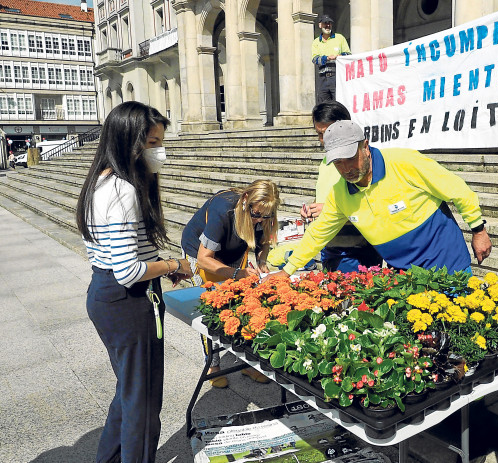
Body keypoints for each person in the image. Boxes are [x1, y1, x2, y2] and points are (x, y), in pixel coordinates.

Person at [75, 101, 192, 462]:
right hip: (127, 301)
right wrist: (174, 263)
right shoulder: (123, 190)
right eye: (153, 143)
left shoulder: (102, 180)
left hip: (106, 294)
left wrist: (159, 265)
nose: (160, 151)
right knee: (141, 401)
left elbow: (125, 256)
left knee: (129, 392)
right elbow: (128, 271)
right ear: (131, 143)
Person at [268, 120, 492, 278]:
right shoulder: (340, 193)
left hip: (445, 263)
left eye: (349, 158)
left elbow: (457, 189)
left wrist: (478, 230)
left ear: (365, 147)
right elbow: (318, 234)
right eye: (338, 163)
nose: (346, 169)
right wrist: (287, 271)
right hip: (403, 272)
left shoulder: (404, 162)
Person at [181, 179, 280, 387]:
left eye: (266, 216)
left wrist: (261, 261)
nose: (259, 221)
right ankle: (213, 365)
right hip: (199, 253)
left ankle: (247, 363)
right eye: (256, 215)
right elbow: (204, 258)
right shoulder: (223, 210)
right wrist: (236, 274)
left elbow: (264, 242)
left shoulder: (264, 213)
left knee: (244, 305)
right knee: (211, 306)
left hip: (233, 251)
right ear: (246, 200)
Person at [301, 101, 382, 272]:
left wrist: (330, 209)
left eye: (327, 133)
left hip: (356, 248)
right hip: (330, 244)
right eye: (319, 134)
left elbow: (369, 202)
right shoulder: (326, 162)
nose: (323, 140)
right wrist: (313, 208)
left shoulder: (361, 162)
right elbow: (326, 195)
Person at [311, 14, 351, 104]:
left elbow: (348, 54)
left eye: (329, 23)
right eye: (325, 23)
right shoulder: (316, 42)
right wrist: (327, 58)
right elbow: (314, 59)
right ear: (320, 25)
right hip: (322, 78)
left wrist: (339, 56)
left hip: (337, 76)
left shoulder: (339, 38)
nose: (328, 25)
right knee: (324, 104)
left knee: (339, 102)